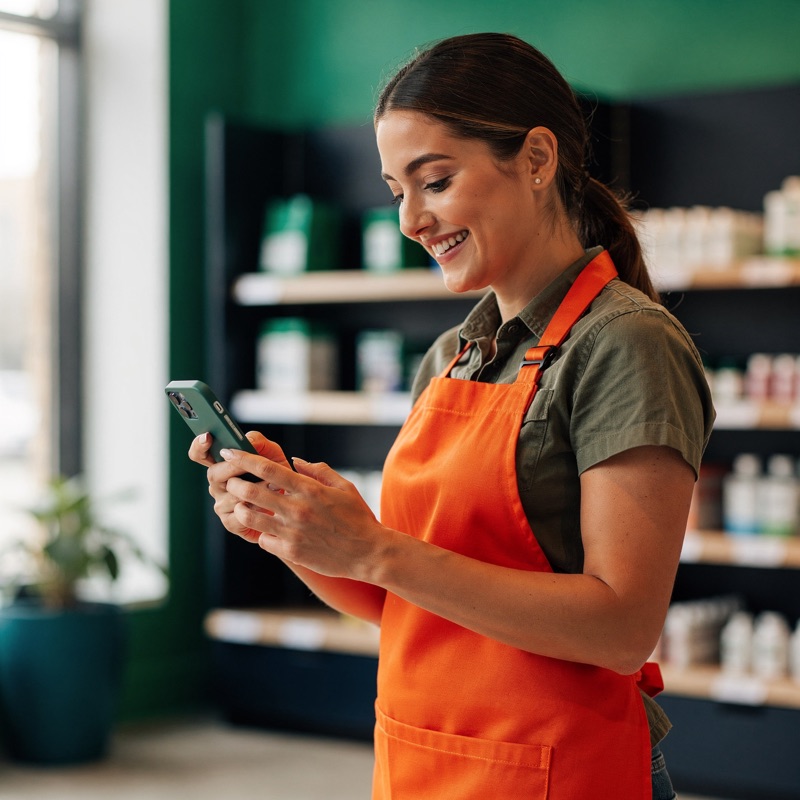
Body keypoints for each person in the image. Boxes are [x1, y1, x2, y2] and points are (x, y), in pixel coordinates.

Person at [190, 32, 715, 799]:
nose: (409, 220)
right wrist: (298, 531)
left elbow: (620, 628)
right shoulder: (452, 355)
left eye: (433, 181)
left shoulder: (625, 342)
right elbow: (407, 606)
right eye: (395, 190)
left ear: (537, 160)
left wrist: (375, 550)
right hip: (426, 758)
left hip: (560, 772)